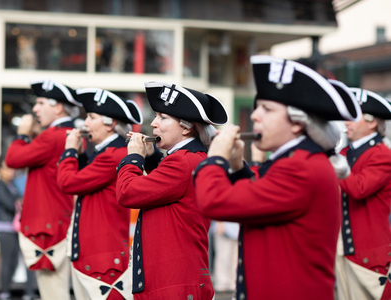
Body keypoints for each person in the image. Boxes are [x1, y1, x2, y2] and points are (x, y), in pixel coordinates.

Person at [193, 55, 362, 300]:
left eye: (267, 109)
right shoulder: (295, 161)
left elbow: (214, 201)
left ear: (297, 122)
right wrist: (237, 165)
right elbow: (254, 200)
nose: (254, 116)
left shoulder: (302, 167)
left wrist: (216, 157)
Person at [116, 81, 228, 299]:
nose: (154, 124)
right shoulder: (188, 159)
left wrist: (133, 157)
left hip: (173, 285)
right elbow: (166, 189)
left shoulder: (181, 162)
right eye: (156, 116)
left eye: (163, 117)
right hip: (176, 283)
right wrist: (152, 157)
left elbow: (127, 192)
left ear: (186, 127)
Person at [56, 88, 143, 300]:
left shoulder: (113, 155)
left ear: (111, 123)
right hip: (93, 257)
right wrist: (80, 154)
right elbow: (90, 182)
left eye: (91, 117)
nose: (84, 123)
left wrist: (68, 151)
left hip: (101, 260)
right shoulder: (105, 152)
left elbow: (67, 182)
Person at [5, 79, 82, 300]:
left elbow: (12, 158)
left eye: (40, 103)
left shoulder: (52, 136)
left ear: (57, 107)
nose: (35, 109)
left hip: (48, 228)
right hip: (61, 221)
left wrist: (22, 133)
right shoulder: (68, 134)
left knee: (53, 293)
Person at [335, 88, 391, 300]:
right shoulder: (344, 154)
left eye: (352, 117)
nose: (346, 123)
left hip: (367, 254)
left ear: (372, 122)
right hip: (341, 250)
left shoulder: (383, 155)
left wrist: (332, 161)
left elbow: (359, 188)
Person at [0, 156, 36, 300]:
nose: (10, 171)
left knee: (15, 261)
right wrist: (19, 203)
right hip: (4, 228)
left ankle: (13, 290)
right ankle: (4, 292)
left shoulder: (13, 186)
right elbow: (12, 205)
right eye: (6, 168)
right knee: (8, 260)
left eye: (11, 168)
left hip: (15, 228)